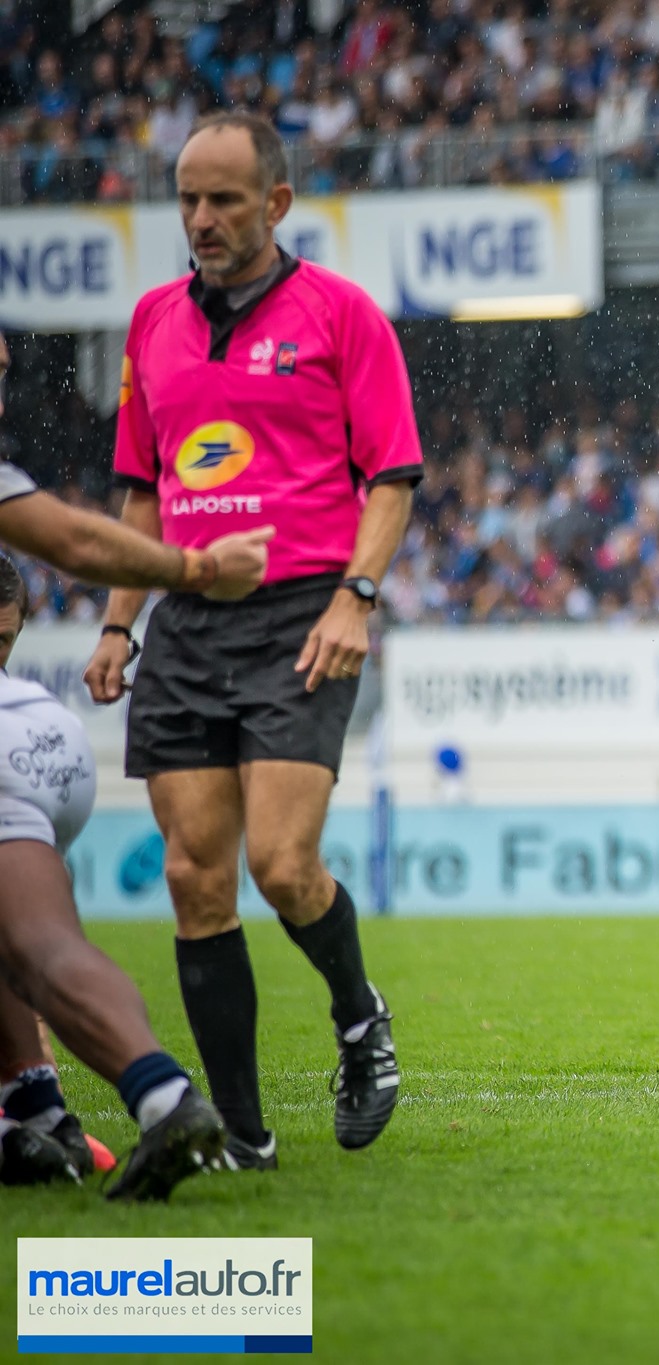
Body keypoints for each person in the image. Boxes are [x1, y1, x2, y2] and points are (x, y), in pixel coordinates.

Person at [83, 112, 421, 1170]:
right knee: (194, 880)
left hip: (301, 611)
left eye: (225, 199)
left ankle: (360, 1020)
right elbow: (142, 490)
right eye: (188, 198)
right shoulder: (151, 323)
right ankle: (243, 1137)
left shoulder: (341, 314)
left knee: (281, 865)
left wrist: (355, 598)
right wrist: (115, 621)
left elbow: (394, 477)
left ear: (275, 204)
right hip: (184, 619)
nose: (202, 219)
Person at [0, 331, 271, 1200]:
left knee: (33, 945)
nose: (4, 389)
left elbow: (77, 543)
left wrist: (191, 567)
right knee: (28, 944)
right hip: (33, 734)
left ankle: (117, 1101)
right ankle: (49, 1110)